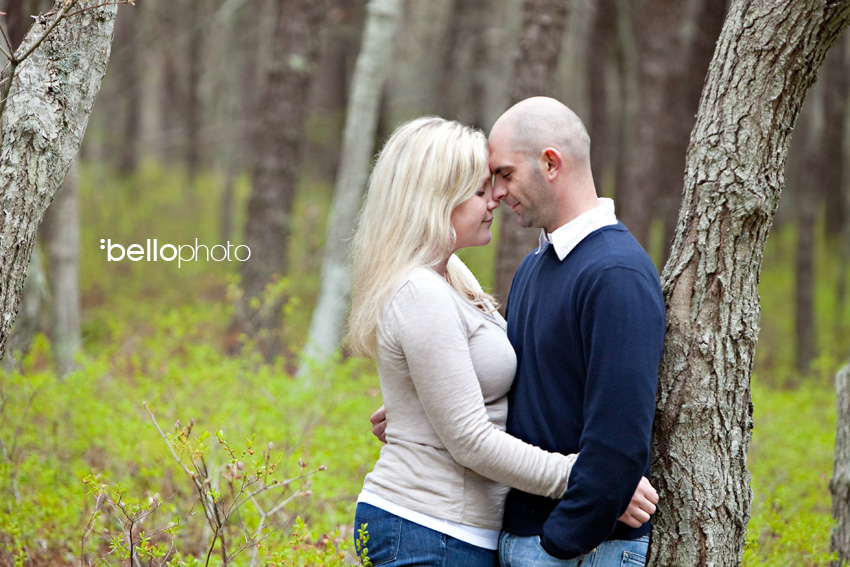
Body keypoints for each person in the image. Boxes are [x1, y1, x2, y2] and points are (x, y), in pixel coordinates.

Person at [349, 116, 657, 567]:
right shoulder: (422, 291)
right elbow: (470, 438)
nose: (494, 196)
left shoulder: (455, 276)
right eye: (479, 190)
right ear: (437, 200)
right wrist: (593, 481)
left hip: (457, 531)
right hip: (430, 527)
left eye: (500, 179)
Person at [488, 97, 667, 567]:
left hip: (581, 550)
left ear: (550, 163)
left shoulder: (616, 273)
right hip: (529, 540)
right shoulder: (534, 266)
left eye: (505, 174)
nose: (496, 193)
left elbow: (620, 438)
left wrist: (557, 544)